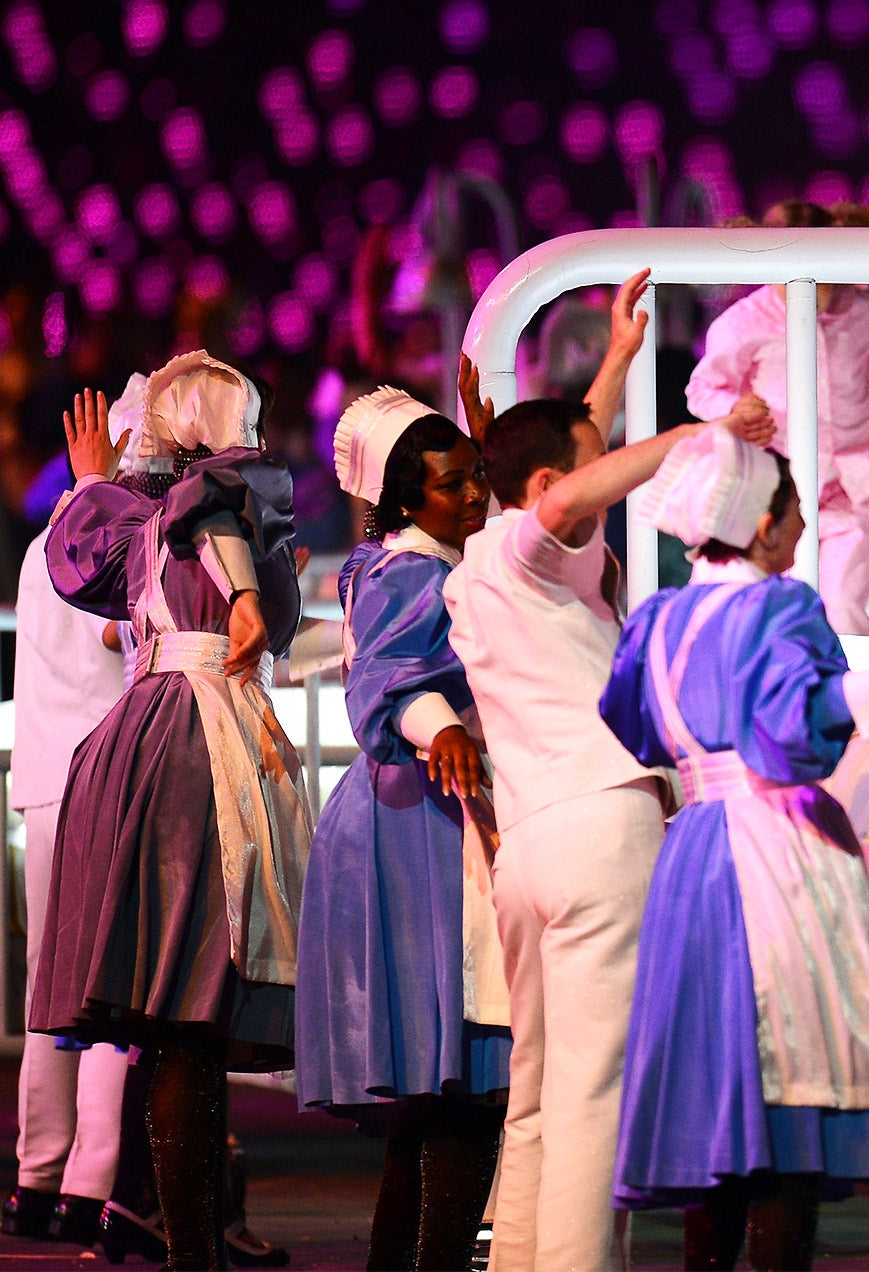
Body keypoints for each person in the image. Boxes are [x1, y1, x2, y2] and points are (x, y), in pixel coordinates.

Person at [447, 289, 775, 1269]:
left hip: (530, 852)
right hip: (598, 832)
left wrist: (618, 365)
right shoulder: (522, 548)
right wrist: (703, 433)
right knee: (596, 1094)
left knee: (544, 1093)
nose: (609, 501)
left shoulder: (485, 568)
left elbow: (564, 461)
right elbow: (564, 487)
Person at [601, 428, 869, 1271]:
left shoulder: (659, 617)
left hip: (692, 853)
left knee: (717, 1095)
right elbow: (791, 732)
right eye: (795, 510)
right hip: (773, 850)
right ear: (762, 526)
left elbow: (630, 723)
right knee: (786, 1092)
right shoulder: (779, 605)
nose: (802, 526)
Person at [33, 353, 311, 1272]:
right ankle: (189, 1242)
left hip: (159, 732)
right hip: (195, 739)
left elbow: (102, 560)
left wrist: (91, 485)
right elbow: (225, 541)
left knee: (180, 1016)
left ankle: (181, 1227)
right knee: (189, 1013)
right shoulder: (208, 505)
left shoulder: (153, 521)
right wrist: (242, 594)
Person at [295, 385, 508, 1272]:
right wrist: (445, 728)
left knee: (439, 1087)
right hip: (418, 817)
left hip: (414, 809)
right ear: (406, 500)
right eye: (454, 483)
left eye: (478, 477)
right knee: (456, 1078)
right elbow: (386, 679)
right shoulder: (412, 573)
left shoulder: (405, 559)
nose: (474, 496)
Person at [0, 379, 139, 1247]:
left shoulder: (43, 540)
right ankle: (90, 1186)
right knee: (110, 1001)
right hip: (96, 787)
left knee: (52, 997)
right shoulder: (104, 537)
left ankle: (35, 1180)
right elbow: (121, 635)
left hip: (48, 786)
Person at [686, 201, 869, 635]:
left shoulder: (861, 309)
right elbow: (702, 389)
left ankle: (847, 689)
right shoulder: (745, 323)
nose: (813, 290)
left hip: (855, 481)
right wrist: (732, 411)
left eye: (823, 273)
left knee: (842, 606)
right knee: (774, 604)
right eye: (794, 275)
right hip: (778, 489)